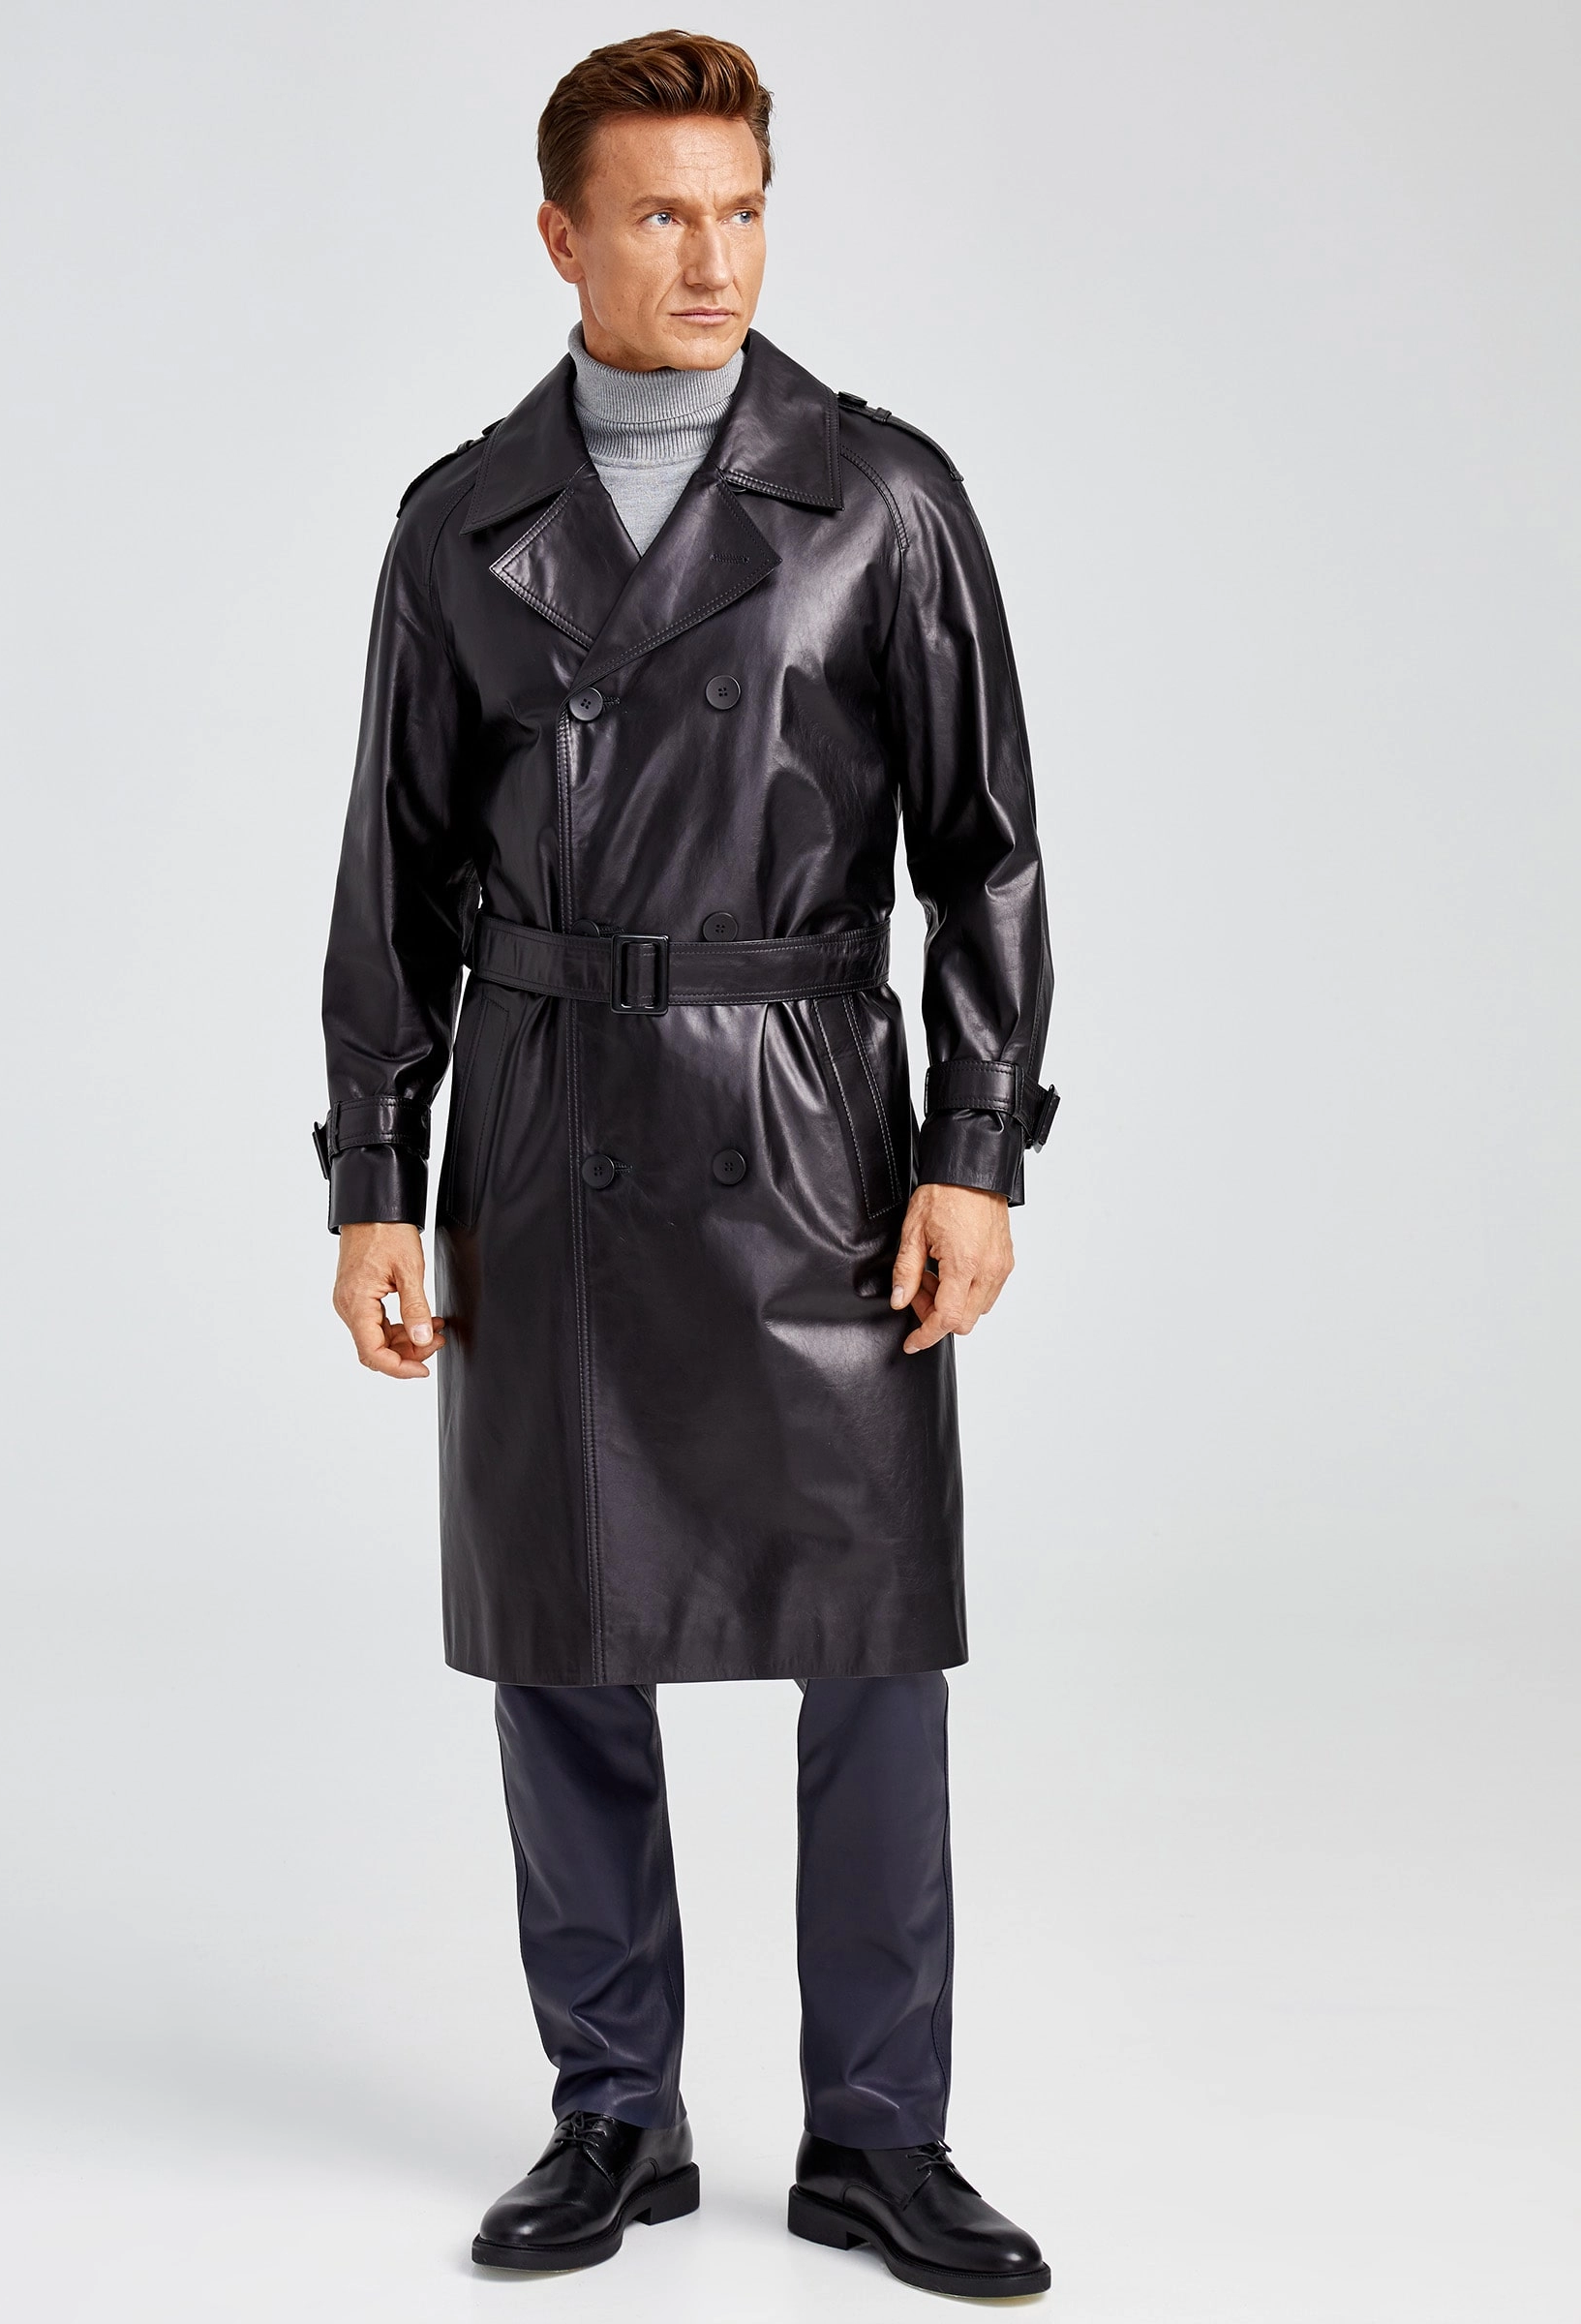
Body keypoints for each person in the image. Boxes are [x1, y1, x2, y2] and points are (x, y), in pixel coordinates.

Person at [317, 30, 1058, 2301]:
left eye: (740, 208)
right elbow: (391, 875)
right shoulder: (461, 522)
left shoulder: (883, 498)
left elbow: (986, 849)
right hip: (548, 1123)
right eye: (660, 213)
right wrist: (372, 1177)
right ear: (563, 236)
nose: (713, 256)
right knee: (563, 1640)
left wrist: (976, 1145)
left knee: (872, 1646)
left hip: (810, 1120)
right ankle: (613, 2117)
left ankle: (881, 2139)